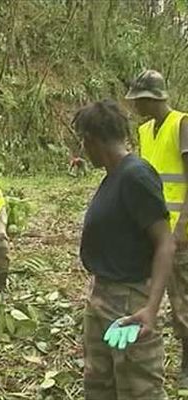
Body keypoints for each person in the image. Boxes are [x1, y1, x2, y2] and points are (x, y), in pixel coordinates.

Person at [74, 100, 174, 399]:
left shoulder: (136, 176)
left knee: (137, 389)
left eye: (83, 142)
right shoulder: (114, 176)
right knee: (100, 384)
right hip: (103, 295)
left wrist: (151, 309)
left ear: (91, 139)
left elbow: (165, 243)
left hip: (130, 300)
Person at [125, 69, 188, 387]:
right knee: (145, 292)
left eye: (139, 101)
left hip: (179, 231)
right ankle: (144, 352)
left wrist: (181, 229)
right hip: (152, 227)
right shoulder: (145, 131)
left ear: (152, 99)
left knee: (182, 300)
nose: (135, 106)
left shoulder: (182, 124)